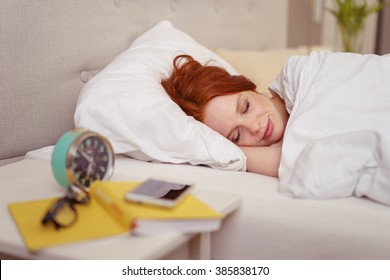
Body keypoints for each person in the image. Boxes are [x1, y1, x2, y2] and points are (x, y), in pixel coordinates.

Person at [161, 54, 289, 177]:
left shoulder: (297, 77)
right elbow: (297, 164)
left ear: (248, 86)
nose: (254, 127)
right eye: (237, 135)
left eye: (246, 108)